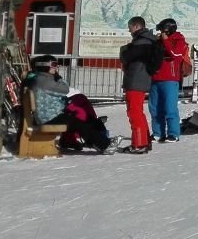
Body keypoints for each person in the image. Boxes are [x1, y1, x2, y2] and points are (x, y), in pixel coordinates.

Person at [23, 55, 120, 154]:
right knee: (77, 121)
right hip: (49, 118)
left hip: (49, 114)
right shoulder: (44, 80)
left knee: (78, 112)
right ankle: (103, 144)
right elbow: (65, 89)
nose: (56, 67)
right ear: (44, 66)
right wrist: (59, 79)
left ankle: (98, 140)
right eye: (53, 64)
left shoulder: (41, 78)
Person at [119, 16, 157, 153]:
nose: (129, 30)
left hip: (136, 80)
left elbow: (126, 57)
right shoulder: (148, 40)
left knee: (134, 112)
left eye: (130, 27)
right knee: (138, 112)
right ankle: (144, 141)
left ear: (136, 26)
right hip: (141, 79)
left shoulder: (142, 41)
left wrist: (124, 50)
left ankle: (140, 145)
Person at [150, 18, 189, 143]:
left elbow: (175, 55)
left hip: (170, 79)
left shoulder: (179, 40)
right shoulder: (159, 41)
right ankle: (158, 133)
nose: (161, 33)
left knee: (170, 107)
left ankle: (173, 133)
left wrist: (165, 41)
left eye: (163, 30)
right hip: (156, 77)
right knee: (155, 108)